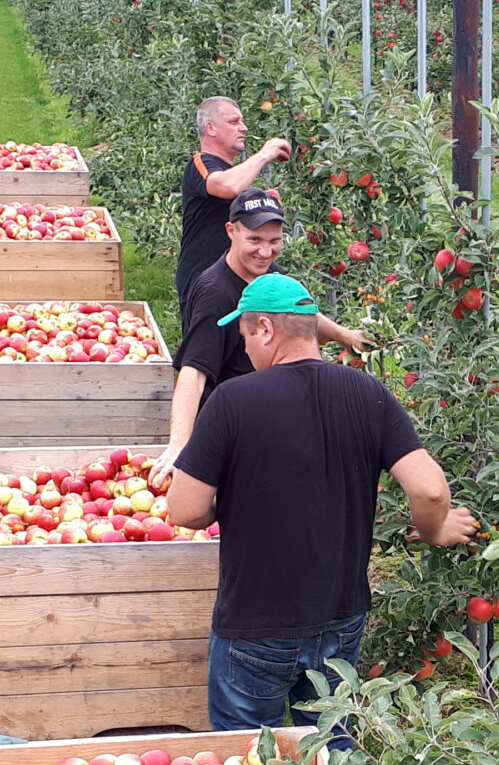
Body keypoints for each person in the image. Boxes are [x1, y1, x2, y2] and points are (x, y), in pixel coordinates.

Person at [166, 272, 478, 733]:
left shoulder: (232, 400)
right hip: (340, 619)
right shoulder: (367, 392)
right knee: (333, 742)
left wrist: (231, 503)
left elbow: (185, 509)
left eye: (246, 335)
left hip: (256, 624)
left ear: (266, 330)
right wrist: (435, 528)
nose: (246, 349)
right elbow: (430, 489)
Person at [159, 189, 369, 478]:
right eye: (254, 240)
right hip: (230, 422)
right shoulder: (216, 293)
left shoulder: (267, 273)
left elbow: (298, 312)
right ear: (231, 231)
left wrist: (345, 335)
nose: (265, 252)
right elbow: (194, 369)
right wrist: (179, 444)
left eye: (274, 241)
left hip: (266, 407)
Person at [177, 97, 291, 330]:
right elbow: (225, 187)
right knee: (206, 357)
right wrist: (264, 154)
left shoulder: (234, 173)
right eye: (234, 121)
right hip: (205, 282)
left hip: (239, 278)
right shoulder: (202, 163)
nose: (243, 127)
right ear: (211, 128)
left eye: (242, 121)